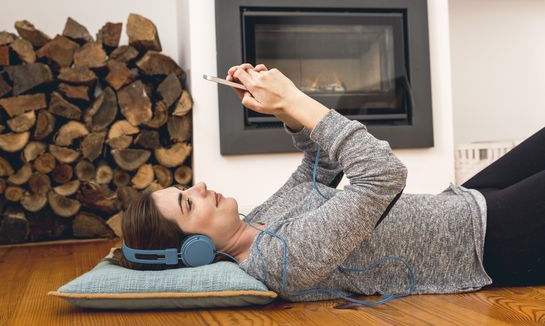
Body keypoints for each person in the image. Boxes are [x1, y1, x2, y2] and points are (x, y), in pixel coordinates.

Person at [109, 63, 545, 302]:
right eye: (188, 204)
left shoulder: (258, 221)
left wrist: (282, 109)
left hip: (469, 204)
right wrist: (297, 100)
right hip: (490, 242)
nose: (200, 188)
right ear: (195, 251)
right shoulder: (283, 261)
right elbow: (382, 176)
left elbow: (320, 168)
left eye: (185, 190)